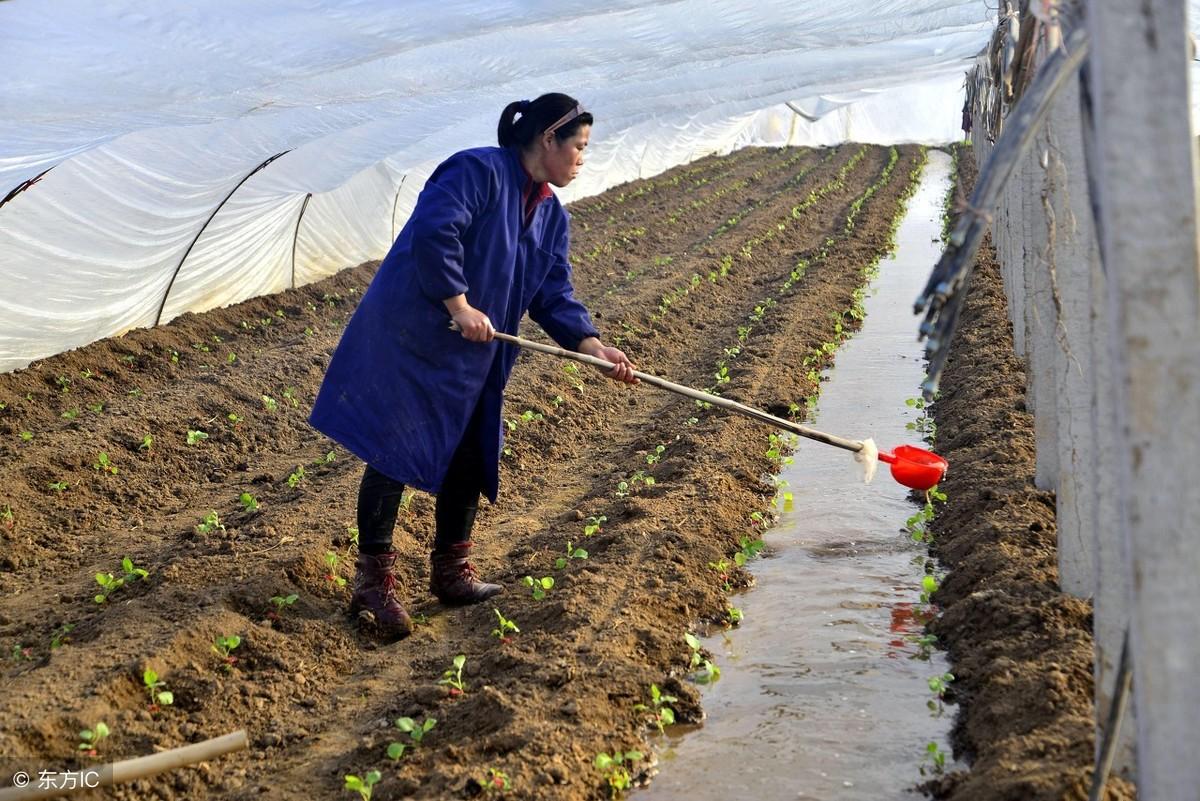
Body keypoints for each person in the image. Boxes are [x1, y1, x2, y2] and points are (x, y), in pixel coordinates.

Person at [309, 93, 637, 639]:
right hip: (422, 336)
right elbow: (437, 232)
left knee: (469, 446)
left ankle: (451, 572)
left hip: (478, 352)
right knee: (397, 447)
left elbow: (553, 293)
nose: (582, 158)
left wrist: (593, 348)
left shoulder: (551, 215)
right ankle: (372, 583)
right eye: (578, 147)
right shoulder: (477, 170)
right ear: (547, 139)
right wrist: (458, 304)